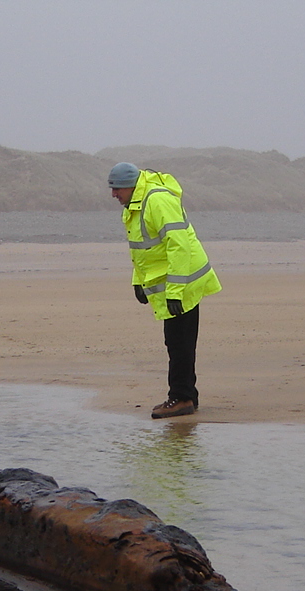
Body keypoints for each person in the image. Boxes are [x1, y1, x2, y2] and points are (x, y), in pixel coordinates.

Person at [108, 162, 221, 418]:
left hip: (184, 281)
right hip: (173, 282)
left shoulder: (157, 201)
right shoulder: (134, 205)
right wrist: (137, 281)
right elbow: (142, 250)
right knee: (177, 340)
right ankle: (187, 395)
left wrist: (175, 292)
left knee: (179, 342)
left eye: (117, 189)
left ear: (130, 185)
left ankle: (181, 398)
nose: (114, 195)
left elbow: (179, 246)